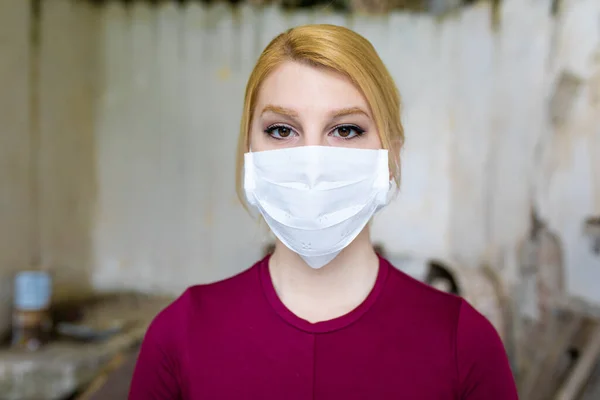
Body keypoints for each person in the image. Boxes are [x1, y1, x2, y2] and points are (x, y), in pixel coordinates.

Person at [129, 24, 518, 399]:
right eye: (282, 130)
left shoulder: (463, 342)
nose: (312, 163)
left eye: (346, 130)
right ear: (249, 151)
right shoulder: (181, 334)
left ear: (392, 154)